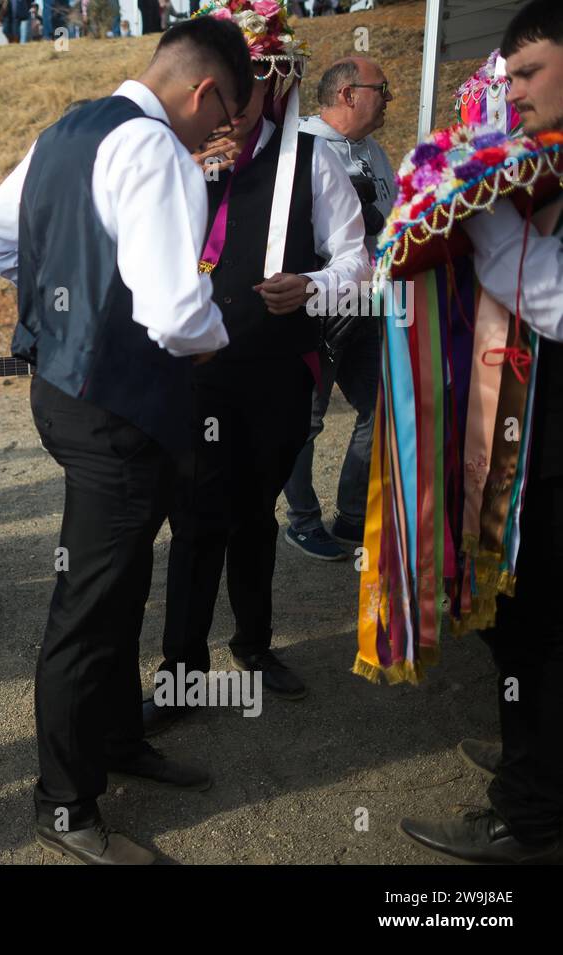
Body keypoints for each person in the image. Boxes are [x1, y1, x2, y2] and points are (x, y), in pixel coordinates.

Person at [0, 16, 250, 864]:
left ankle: (117, 737)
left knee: (118, 584)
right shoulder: (157, 149)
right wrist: (223, 336)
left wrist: (67, 303)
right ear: (204, 92)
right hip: (120, 410)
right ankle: (63, 803)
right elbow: (175, 312)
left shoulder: (66, 128)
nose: (221, 132)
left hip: (64, 392)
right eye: (227, 113)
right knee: (89, 607)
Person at [143, 0, 369, 735]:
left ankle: (254, 643)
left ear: (274, 84)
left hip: (278, 368)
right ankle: (181, 673)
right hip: (198, 373)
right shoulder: (177, 159)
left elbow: (359, 264)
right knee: (199, 517)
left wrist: (312, 287)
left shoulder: (314, 159)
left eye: (252, 85)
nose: (236, 105)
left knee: (254, 513)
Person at [399, 0, 563, 866]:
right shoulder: (543, 162)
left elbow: (554, 303)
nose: (516, 91)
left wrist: (479, 218)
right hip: (530, 443)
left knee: (537, 620)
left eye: (530, 73)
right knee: (520, 614)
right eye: (506, 77)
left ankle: (528, 815)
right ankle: (534, 761)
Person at [282, 56, 394, 561]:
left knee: (384, 406)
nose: (389, 97)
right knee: (306, 418)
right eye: (381, 88)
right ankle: (301, 521)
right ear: (349, 94)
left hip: (371, 303)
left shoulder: (374, 150)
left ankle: (352, 514)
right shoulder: (300, 147)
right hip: (319, 304)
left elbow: (391, 218)